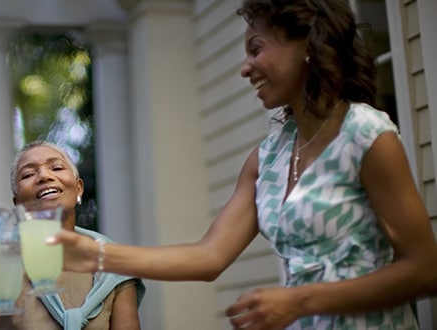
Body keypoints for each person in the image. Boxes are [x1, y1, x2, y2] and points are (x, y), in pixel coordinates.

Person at [48, 1, 437, 329]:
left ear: (306, 44)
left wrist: (300, 300)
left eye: (256, 49)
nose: (245, 67)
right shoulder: (266, 158)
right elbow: (209, 256)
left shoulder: (366, 134)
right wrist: (94, 252)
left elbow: (424, 269)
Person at [0, 141, 144, 330]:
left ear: (78, 189)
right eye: (29, 174)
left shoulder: (114, 264)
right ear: (18, 204)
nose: (44, 176)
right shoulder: (4, 258)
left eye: (56, 167)